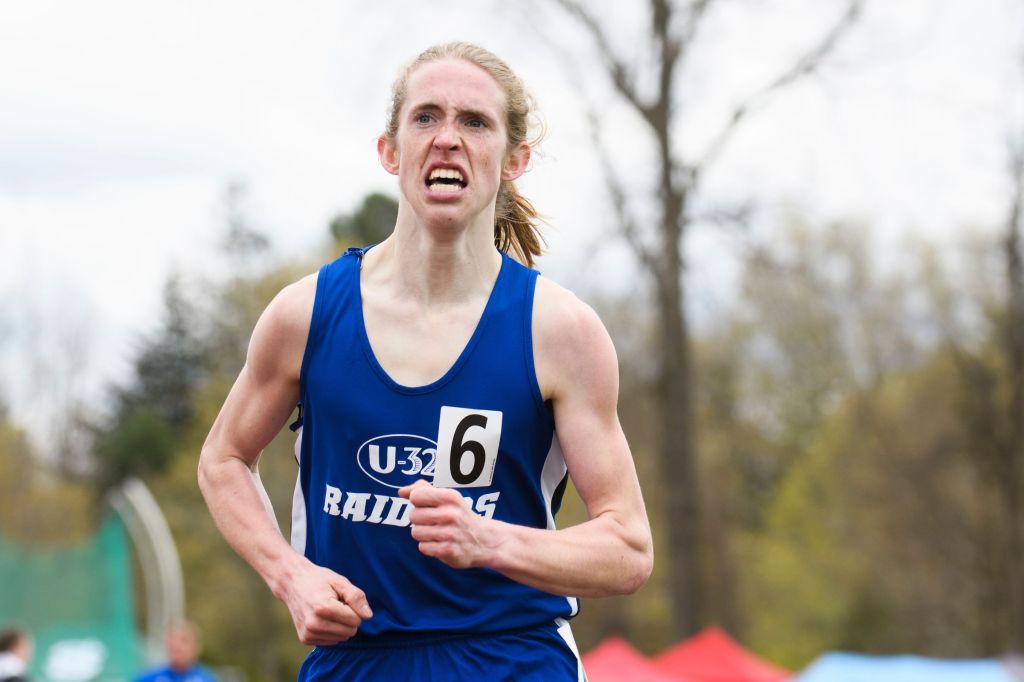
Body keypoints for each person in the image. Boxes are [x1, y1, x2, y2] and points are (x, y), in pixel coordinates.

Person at [198, 41, 653, 681]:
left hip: (509, 656)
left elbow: (628, 547)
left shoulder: (559, 331)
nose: (447, 138)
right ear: (390, 150)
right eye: (426, 117)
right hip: (355, 658)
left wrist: (492, 541)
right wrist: (288, 574)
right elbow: (221, 460)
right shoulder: (306, 316)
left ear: (514, 159)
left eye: (474, 122)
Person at [133, 623, 216, 682]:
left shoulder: (206, 678)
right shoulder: (149, 677)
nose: (177, 646)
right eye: (173, 640)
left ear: (196, 648)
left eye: (184, 641)